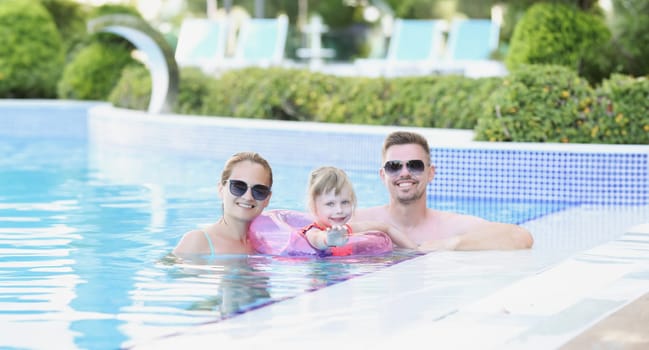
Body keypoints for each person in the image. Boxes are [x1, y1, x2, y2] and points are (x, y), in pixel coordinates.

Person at [352, 131, 534, 251]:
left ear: (430, 173)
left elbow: (520, 237)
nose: (405, 173)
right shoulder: (360, 222)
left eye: (415, 165)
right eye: (394, 166)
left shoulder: (449, 228)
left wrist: (447, 244)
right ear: (383, 175)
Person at [297, 166, 418, 256]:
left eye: (345, 202)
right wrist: (328, 239)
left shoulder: (350, 229)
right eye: (330, 204)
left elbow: (385, 227)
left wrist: (415, 250)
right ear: (314, 206)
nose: (339, 210)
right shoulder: (312, 232)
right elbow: (317, 240)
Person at [173, 151, 273, 256]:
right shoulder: (198, 242)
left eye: (259, 190)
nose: (248, 197)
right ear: (221, 189)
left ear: (267, 198)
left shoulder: (266, 245)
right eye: (238, 187)